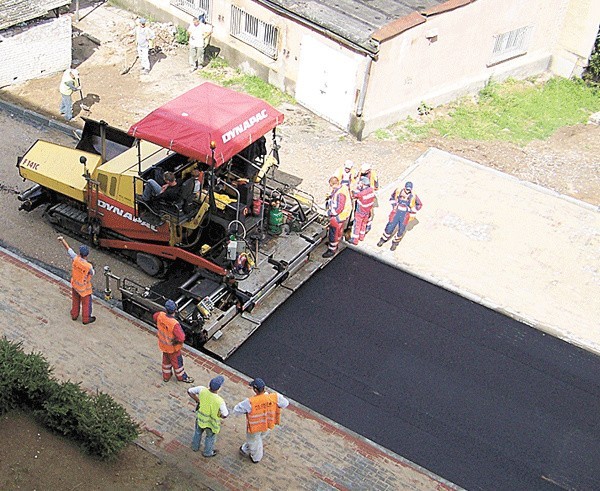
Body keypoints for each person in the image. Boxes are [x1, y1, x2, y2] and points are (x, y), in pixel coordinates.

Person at [234, 378, 289, 463]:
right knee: (259, 438)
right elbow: (285, 403)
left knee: (253, 441)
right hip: (268, 423)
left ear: (255, 390)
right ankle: (245, 448)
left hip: (255, 426)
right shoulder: (275, 397)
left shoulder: (250, 402)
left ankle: (256, 458)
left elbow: (237, 410)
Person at [153, 299, 194, 383]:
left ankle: (166, 377)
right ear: (175, 310)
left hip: (164, 346)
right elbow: (181, 337)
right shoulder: (174, 324)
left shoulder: (160, 315)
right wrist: (176, 341)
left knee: (166, 362)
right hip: (173, 349)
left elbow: (154, 317)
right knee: (178, 364)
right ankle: (182, 377)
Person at [187, 375, 229, 457]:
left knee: (197, 432)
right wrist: (220, 415)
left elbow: (190, 391)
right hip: (211, 424)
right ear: (219, 388)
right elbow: (225, 414)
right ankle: (207, 452)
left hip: (200, 419)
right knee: (210, 438)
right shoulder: (219, 401)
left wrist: (198, 400)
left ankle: (195, 447)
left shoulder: (202, 390)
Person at [57, 236, 95, 324]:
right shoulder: (88, 266)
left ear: (80, 253)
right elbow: (93, 273)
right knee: (86, 304)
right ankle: (86, 319)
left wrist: (62, 240)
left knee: (75, 301)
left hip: (75, 285)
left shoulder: (75, 259)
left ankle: (74, 315)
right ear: (87, 255)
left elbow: (69, 250)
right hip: (84, 289)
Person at [377, 181, 422, 251]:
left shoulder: (413, 196)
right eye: (407, 189)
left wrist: (412, 210)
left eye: (409, 190)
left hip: (405, 215)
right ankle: (383, 239)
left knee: (401, 230)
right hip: (396, 213)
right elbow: (392, 198)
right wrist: (394, 205)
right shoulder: (398, 191)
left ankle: (395, 243)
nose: (407, 191)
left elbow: (419, 204)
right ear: (404, 187)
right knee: (390, 226)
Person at [322, 176, 352, 258]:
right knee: (338, 232)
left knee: (333, 233)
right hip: (342, 216)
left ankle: (332, 249)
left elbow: (339, 208)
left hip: (338, 217)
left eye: (331, 185)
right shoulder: (343, 188)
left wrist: (329, 212)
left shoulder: (340, 194)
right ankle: (335, 244)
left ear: (333, 184)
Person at [350, 177, 376, 245]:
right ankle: (361, 237)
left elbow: (354, 195)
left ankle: (355, 240)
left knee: (357, 225)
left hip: (360, 211)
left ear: (363, 183)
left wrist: (356, 188)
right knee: (364, 224)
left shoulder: (362, 193)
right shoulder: (371, 190)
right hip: (367, 211)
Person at [359, 163, 379, 234]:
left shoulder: (373, 175)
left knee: (369, 210)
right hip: (362, 192)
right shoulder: (361, 173)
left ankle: (368, 225)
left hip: (369, 193)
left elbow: (376, 185)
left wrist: (371, 191)